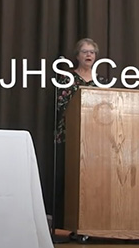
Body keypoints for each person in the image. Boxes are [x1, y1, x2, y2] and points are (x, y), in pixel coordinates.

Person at [52, 38, 106, 235]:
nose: (89, 55)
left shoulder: (103, 82)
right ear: (77, 56)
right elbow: (62, 107)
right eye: (84, 51)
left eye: (92, 52)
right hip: (69, 138)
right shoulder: (66, 79)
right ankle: (65, 224)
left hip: (96, 142)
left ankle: (94, 221)